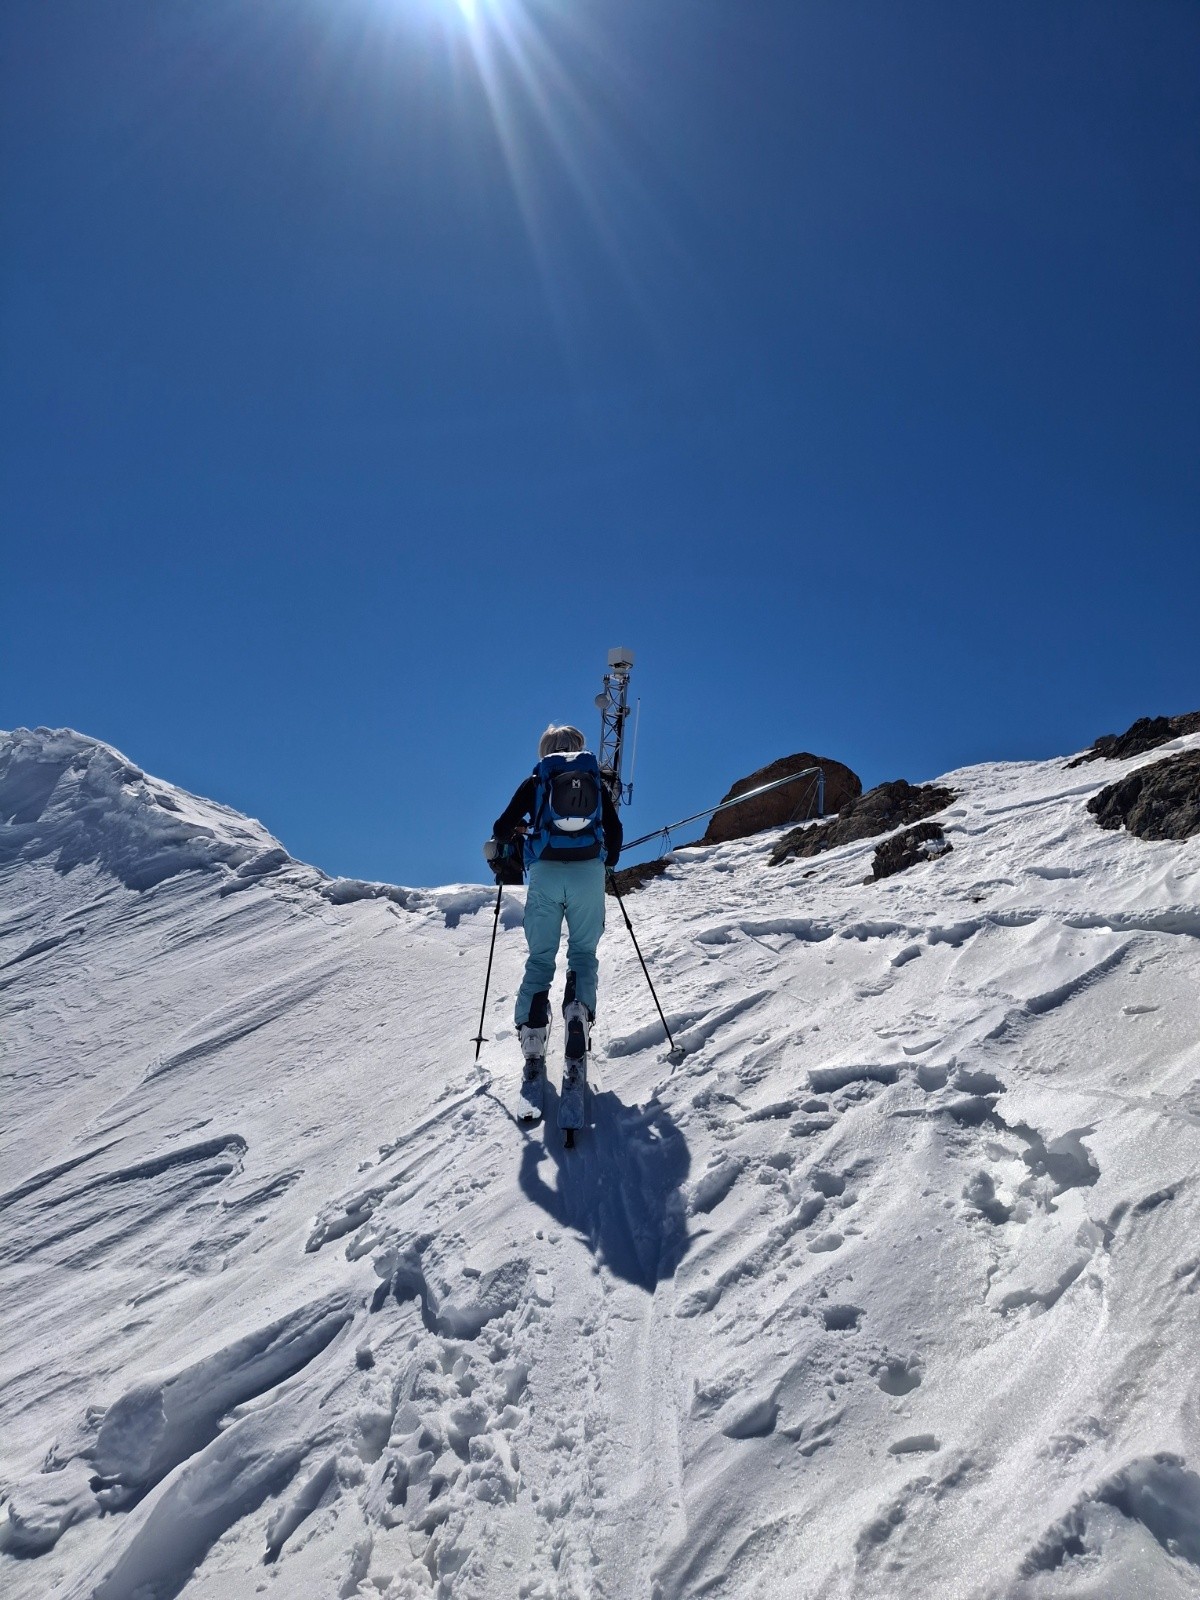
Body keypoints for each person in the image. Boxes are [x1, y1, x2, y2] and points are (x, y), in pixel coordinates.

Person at [493, 725, 623, 1085]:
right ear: (578, 748)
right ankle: (578, 1010)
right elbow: (615, 832)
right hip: (588, 874)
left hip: (546, 874)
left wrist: (522, 831)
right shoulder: (594, 780)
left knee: (540, 957)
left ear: (545, 751)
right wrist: (604, 862)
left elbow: (501, 827)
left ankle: (533, 1036)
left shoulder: (537, 780)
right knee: (582, 952)